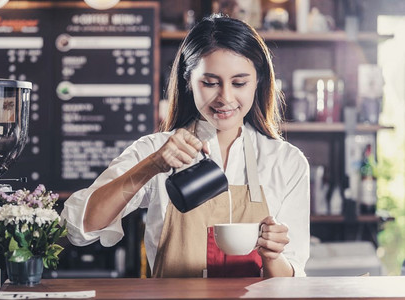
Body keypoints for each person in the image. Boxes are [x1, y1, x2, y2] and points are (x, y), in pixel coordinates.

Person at [61, 14, 310, 278]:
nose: (225, 98)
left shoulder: (286, 161)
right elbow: (78, 228)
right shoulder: (154, 149)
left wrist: (272, 256)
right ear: (188, 81)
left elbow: (289, 279)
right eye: (210, 82)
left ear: (258, 82)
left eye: (239, 83)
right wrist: (151, 166)